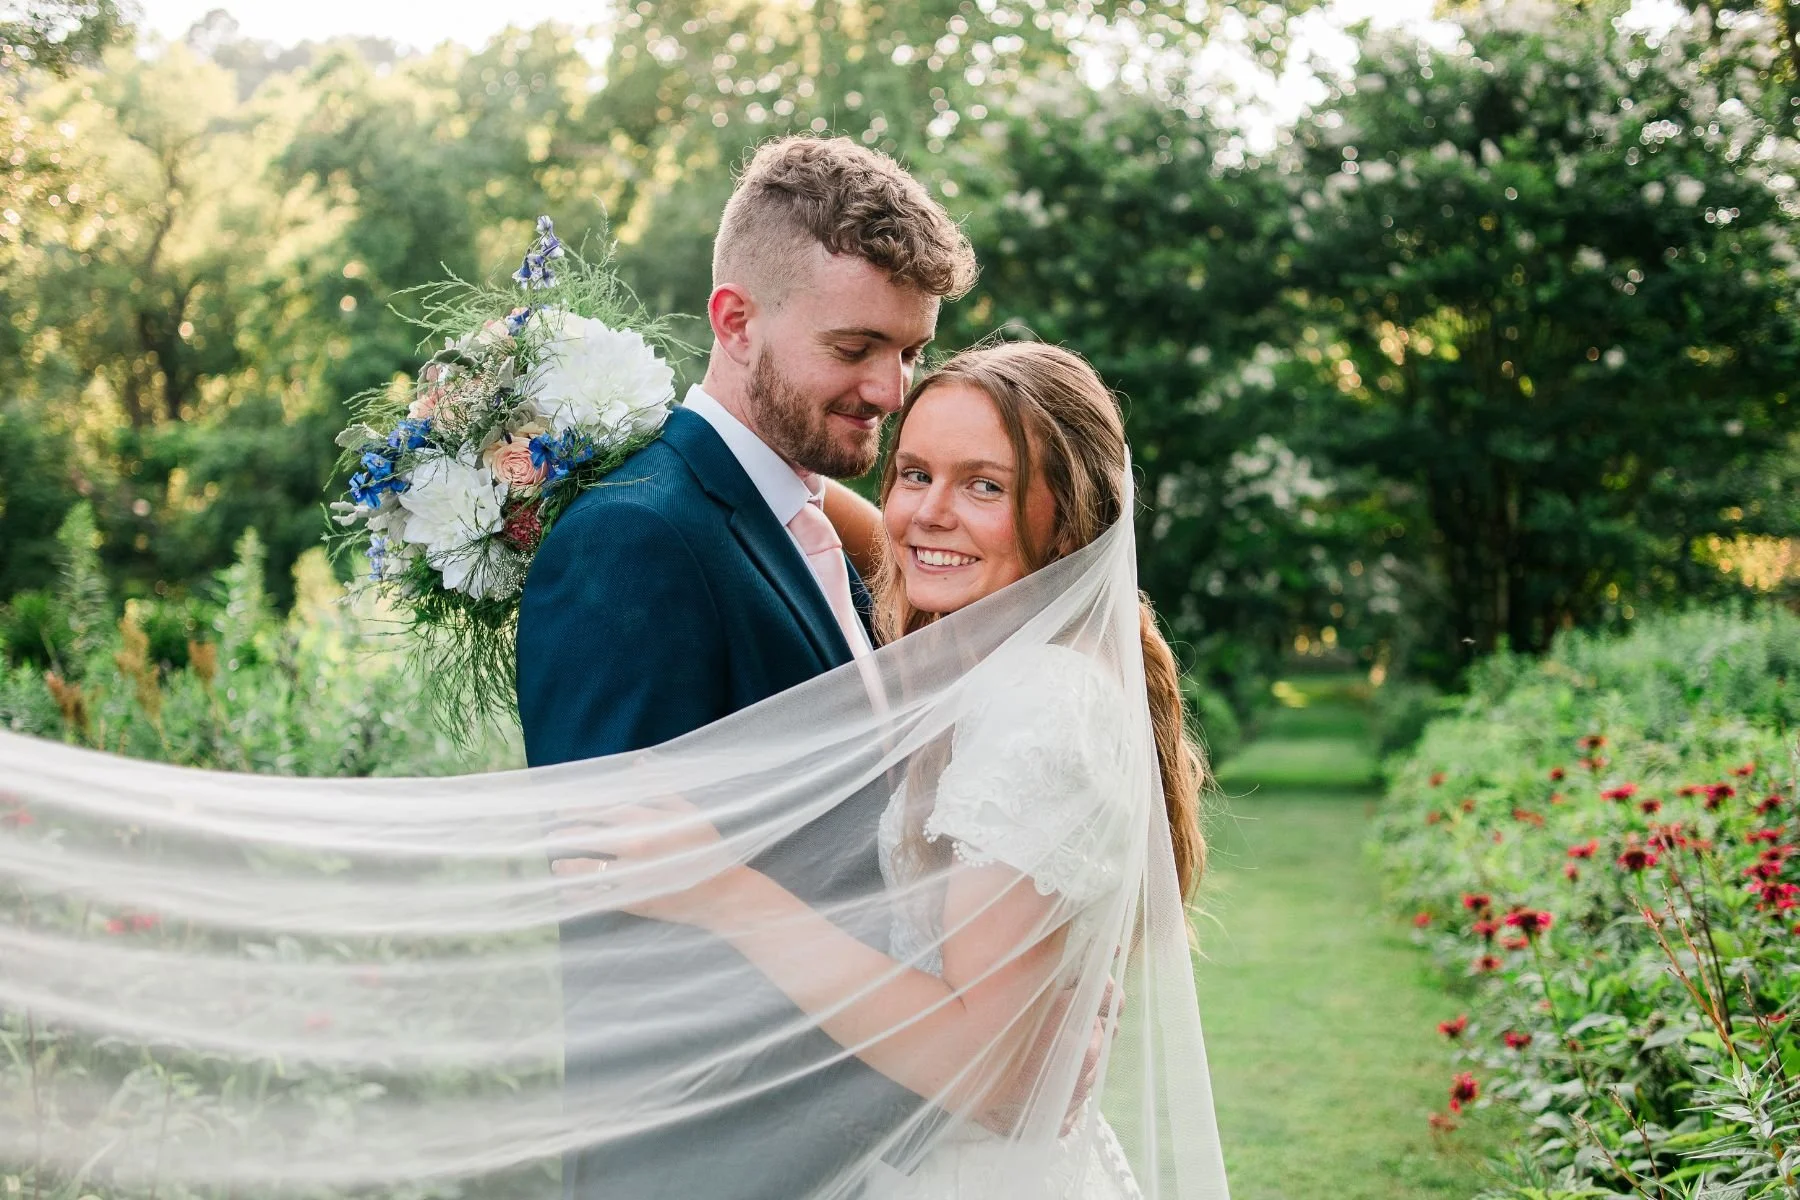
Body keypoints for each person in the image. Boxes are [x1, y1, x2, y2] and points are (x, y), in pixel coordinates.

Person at [558, 341, 1211, 1199]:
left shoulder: (1044, 706)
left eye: (987, 485)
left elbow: (995, 1078)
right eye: (913, 474)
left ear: (1071, 514)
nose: (929, 513)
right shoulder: (993, 650)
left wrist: (723, 891)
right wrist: (619, 431)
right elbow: (850, 519)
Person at [514, 133, 978, 1199]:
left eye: (909, 350)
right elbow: (618, 929)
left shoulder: (814, 523)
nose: (889, 387)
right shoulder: (638, 537)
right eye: (857, 345)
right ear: (736, 321)